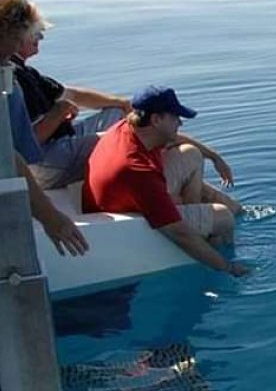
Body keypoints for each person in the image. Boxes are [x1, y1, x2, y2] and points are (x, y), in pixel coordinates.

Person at [82, 86, 248, 276]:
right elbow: (178, 233)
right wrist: (228, 268)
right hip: (123, 213)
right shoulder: (137, 170)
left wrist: (214, 157)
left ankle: (199, 217)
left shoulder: (129, 127)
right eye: (175, 117)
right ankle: (213, 251)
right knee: (224, 217)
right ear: (156, 120)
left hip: (131, 192)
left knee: (192, 155)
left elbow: (174, 138)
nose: (180, 123)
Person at [1, 0, 88, 256]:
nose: (16, 47)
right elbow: (7, 154)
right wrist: (50, 217)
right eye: (16, 39)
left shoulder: (9, 73)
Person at [11, 9, 130, 189]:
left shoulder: (26, 72)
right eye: (35, 33)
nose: (41, 37)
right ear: (17, 37)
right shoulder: (12, 76)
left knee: (117, 113)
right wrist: (59, 111)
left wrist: (122, 103)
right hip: (42, 161)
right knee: (130, 138)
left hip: (60, 142)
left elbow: (72, 94)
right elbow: (30, 144)